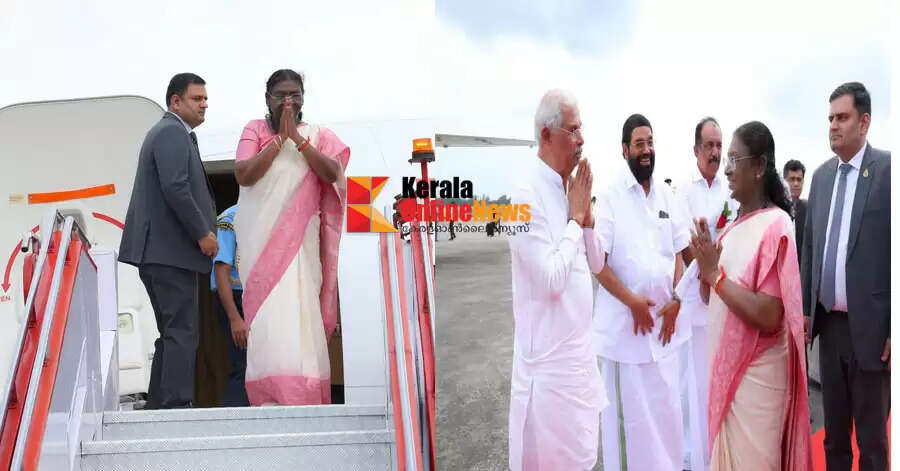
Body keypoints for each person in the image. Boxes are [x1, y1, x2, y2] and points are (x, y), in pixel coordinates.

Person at [690, 121, 812, 470]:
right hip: (727, 378)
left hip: (757, 383)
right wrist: (705, 270)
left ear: (759, 166)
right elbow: (712, 297)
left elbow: (771, 314)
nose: (726, 168)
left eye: (734, 159)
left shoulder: (776, 225)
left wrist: (715, 276)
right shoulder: (731, 230)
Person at [233, 69, 350, 406]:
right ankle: (270, 395)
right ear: (267, 99)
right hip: (261, 245)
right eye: (281, 95)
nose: (288, 102)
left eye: (295, 95)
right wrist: (279, 141)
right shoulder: (254, 130)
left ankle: (305, 394)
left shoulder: (318, 135)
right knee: (270, 318)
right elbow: (243, 174)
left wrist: (298, 140)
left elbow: (332, 173)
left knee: (301, 313)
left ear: (303, 98)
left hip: (301, 244)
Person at [507, 89, 607, 471]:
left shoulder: (570, 191)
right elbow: (551, 280)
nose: (581, 140)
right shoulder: (522, 198)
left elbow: (596, 263)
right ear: (547, 135)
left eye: (582, 130)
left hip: (578, 367)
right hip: (548, 382)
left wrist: (587, 220)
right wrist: (574, 220)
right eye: (573, 130)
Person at [800, 82, 890, 471]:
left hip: (872, 333)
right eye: (830, 118)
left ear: (864, 122)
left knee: (872, 444)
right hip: (830, 329)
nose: (833, 126)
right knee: (834, 440)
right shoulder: (821, 178)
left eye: (842, 117)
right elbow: (810, 249)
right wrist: (807, 310)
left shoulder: (888, 172)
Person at [593, 113, 690, 471]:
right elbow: (597, 263)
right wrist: (631, 301)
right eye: (639, 144)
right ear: (625, 151)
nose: (647, 150)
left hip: (664, 335)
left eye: (650, 143)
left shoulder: (667, 195)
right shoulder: (609, 198)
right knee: (629, 434)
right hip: (625, 338)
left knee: (668, 424)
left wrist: (678, 299)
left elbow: (678, 252)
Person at [119, 73, 217, 409]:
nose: (204, 105)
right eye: (197, 99)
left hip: (162, 254)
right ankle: (176, 404)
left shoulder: (169, 132)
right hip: (169, 253)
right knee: (182, 331)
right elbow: (176, 186)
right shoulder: (172, 132)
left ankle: (160, 403)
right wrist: (202, 232)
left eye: (206, 99)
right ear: (176, 101)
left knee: (173, 331)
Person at [674, 116, 738, 471]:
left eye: (719, 145)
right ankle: (691, 457)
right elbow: (683, 243)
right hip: (696, 302)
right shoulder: (683, 190)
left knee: (719, 378)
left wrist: (717, 278)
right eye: (709, 146)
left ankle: (718, 452)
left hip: (724, 296)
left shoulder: (731, 189)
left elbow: (734, 235)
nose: (715, 152)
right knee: (691, 383)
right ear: (696, 150)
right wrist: (702, 276)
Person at [211, 204, 250, 407]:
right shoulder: (230, 218)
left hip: (261, 299)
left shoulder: (270, 212)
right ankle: (235, 421)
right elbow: (221, 269)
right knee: (242, 366)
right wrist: (235, 318)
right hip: (236, 299)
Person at [783, 159, 807, 263]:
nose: (796, 184)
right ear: (784, 181)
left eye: (799, 179)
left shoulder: (809, 209)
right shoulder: (776, 210)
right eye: (792, 179)